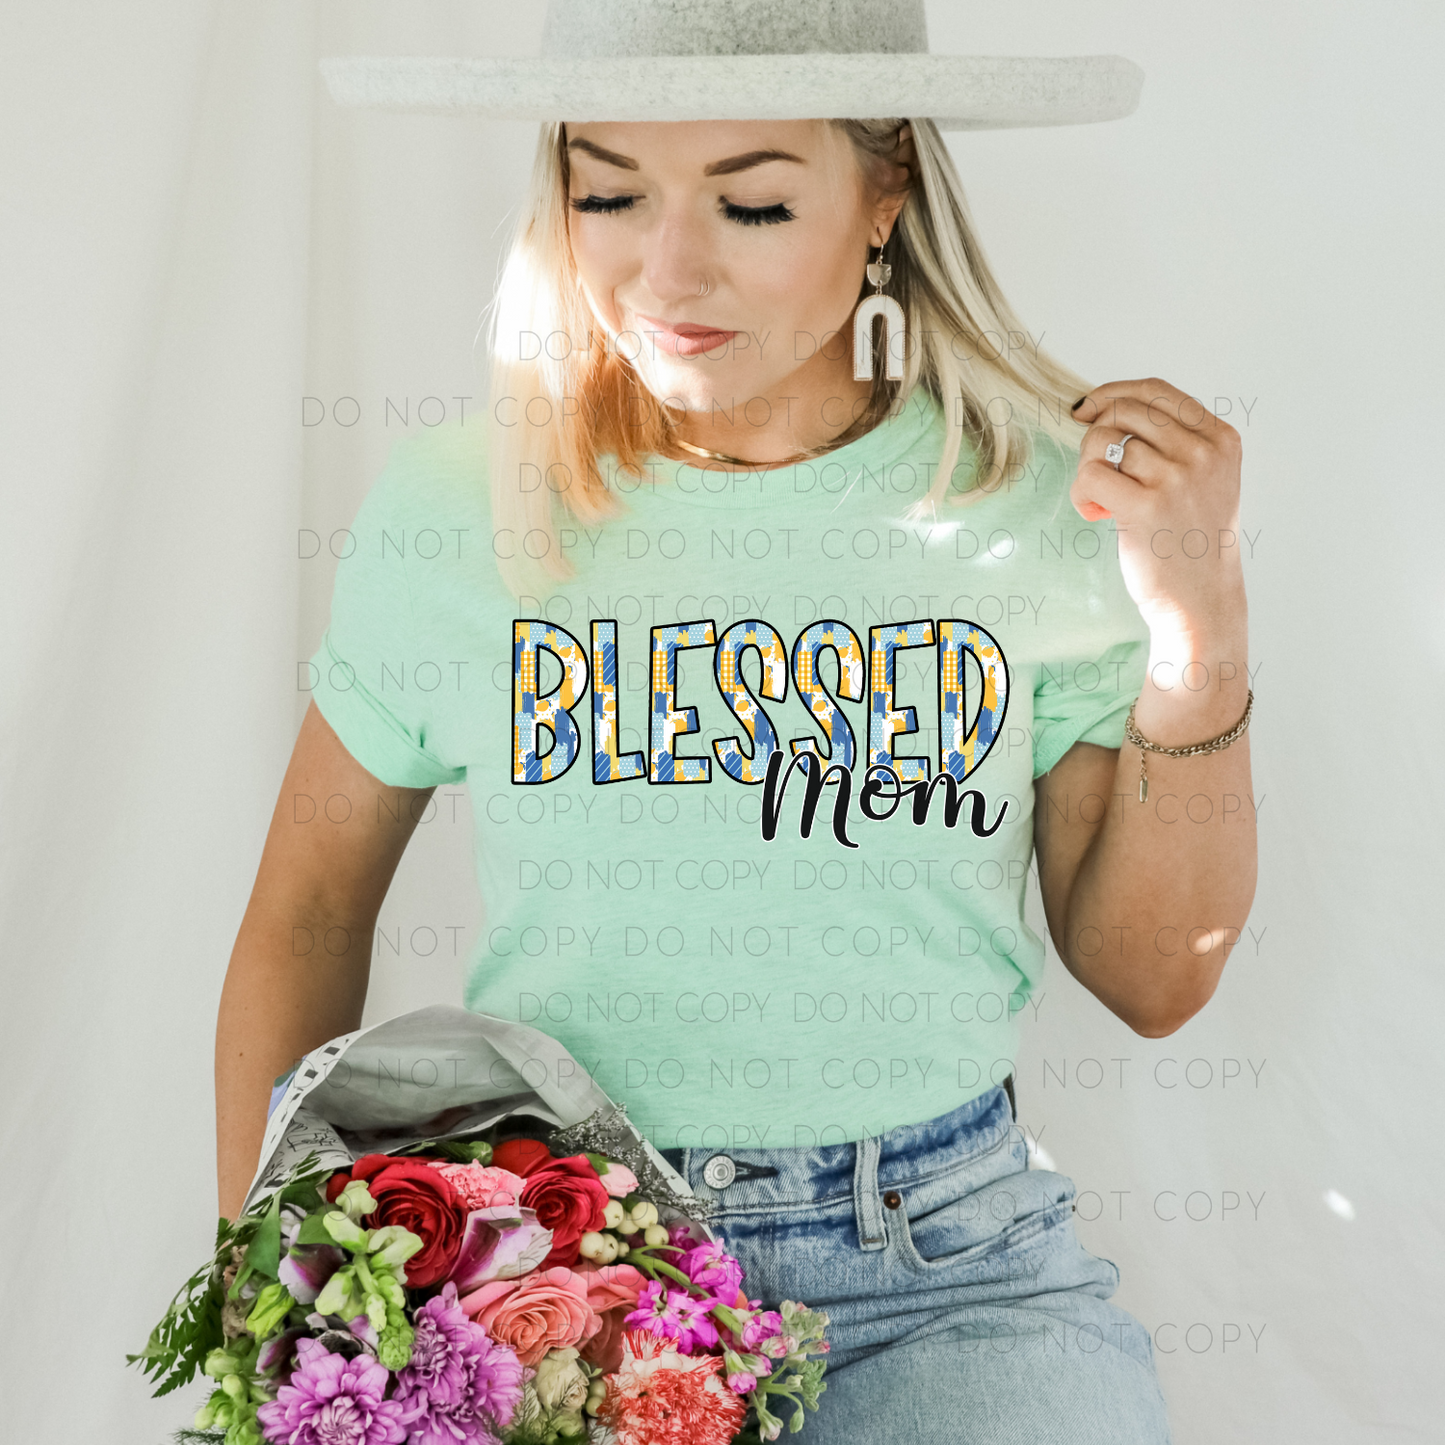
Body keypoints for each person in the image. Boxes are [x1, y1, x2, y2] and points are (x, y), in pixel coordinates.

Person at [217, 6, 1255, 1440]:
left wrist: (1199, 639)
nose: (670, 268)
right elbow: (305, 916)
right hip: (556, 1282)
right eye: (609, 191)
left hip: (946, 1274)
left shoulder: (1044, 500)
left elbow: (1155, 980)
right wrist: (274, 1302)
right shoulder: (459, 510)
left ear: (886, 187)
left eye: (754, 200)